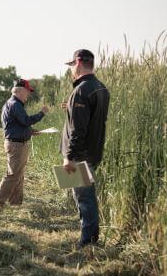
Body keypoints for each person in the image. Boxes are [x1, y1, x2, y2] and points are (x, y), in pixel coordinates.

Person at [61, 49, 109, 247]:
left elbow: (78, 129)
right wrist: (71, 108)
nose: (71, 69)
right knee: (85, 195)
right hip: (92, 152)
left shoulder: (81, 90)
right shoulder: (101, 88)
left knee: (84, 197)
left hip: (80, 155)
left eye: (72, 65)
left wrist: (70, 156)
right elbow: (93, 119)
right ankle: (89, 237)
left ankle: (88, 241)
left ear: (79, 63)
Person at [0, 79, 48, 207]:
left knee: (18, 175)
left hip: (16, 143)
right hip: (16, 145)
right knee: (13, 175)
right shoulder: (15, 105)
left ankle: (15, 203)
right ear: (20, 91)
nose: (28, 95)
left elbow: (17, 124)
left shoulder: (12, 104)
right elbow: (25, 120)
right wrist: (41, 113)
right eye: (28, 92)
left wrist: (30, 132)